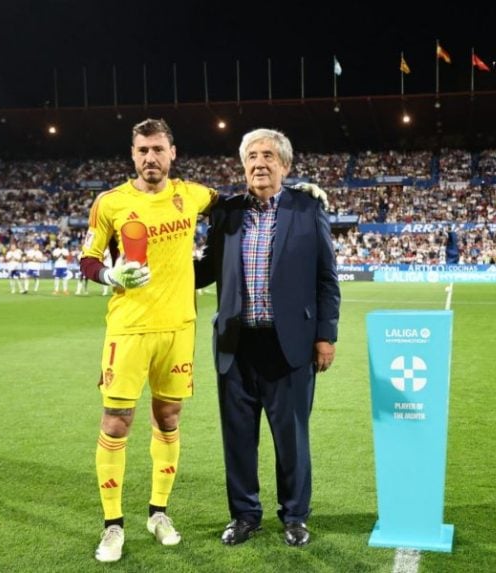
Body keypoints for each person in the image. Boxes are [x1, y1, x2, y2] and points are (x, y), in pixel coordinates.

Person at [79, 118, 219, 563]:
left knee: (169, 417)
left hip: (179, 327)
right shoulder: (110, 203)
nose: (150, 158)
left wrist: (292, 198)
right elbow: (87, 258)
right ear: (132, 154)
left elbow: (234, 205)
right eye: (142, 150)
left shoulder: (192, 195)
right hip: (129, 328)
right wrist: (107, 273)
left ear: (172, 152)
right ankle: (112, 526)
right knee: (116, 421)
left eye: (158, 149)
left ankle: (158, 513)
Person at [194, 128, 341, 548]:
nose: (259, 163)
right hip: (236, 347)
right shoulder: (227, 213)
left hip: (289, 345)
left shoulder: (308, 209)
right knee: (238, 439)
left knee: (292, 438)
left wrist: (325, 336)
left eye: (268, 156)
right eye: (252, 156)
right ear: (243, 165)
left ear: (285, 165)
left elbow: (326, 279)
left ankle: (295, 516)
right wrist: (160, 266)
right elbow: (205, 270)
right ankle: (244, 516)